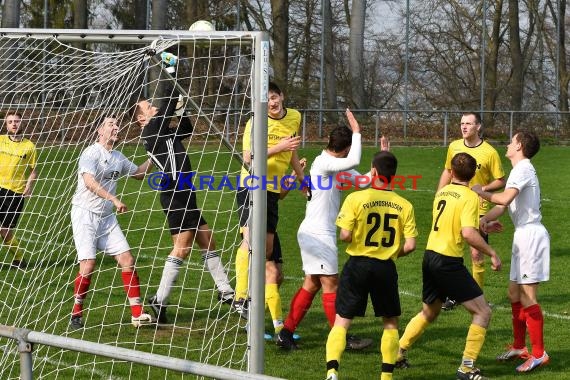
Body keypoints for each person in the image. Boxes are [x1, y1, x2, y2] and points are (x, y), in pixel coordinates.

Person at [132, 59, 235, 324]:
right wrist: (173, 72)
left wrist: (179, 107)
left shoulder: (164, 131)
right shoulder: (152, 130)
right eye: (148, 107)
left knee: (207, 239)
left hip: (184, 190)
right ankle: (160, 298)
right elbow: (167, 101)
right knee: (182, 249)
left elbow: (186, 126)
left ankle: (224, 291)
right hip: (174, 192)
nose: (153, 108)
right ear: (142, 118)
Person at [277, 110, 384, 351]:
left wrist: (381, 158)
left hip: (314, 234)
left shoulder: (335, 166)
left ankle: (286, 333)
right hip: (318, 236)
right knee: (331, 284)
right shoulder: (325, 163)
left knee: (312, 284)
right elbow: (354, 162)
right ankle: (340, 338)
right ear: (345, 149)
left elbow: (365, 180)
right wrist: (357, 132)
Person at [396, 152, 502, 380]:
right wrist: (491, 251)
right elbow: (467, 233)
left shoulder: (442, 192)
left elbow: (457, 225)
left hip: (430, 257)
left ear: (451, 172)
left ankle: (398, 351)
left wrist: (482, 228)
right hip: (448, 262)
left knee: (430, 312)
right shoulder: (470, 197)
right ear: (474, 175)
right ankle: (467, 368)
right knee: (483, 312)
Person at [325, 151, 418, 380]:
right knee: (390, 322)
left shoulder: (356, 199)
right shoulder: (404, 205)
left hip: (357, 264)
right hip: (385, 267)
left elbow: (345, 235)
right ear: (394, 175)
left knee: (342, 319)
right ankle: (386, 377)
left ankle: (332, 372)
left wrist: (356, 236)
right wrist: (390, 252)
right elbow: (411, 245)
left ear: (373, 171)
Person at [472, 131, 549, 372]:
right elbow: (502, 207)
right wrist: (484, 220)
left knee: (527, 297)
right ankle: (519, 346)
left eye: (511, 141)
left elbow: (504, 199)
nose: (507, 144)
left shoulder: (523, 168)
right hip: (522, 235)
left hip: (531, 237)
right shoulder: (520, 170)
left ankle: (539, 354)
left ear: (519, 146)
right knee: (514, 294)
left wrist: (479, 191)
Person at [234, 81, 305, 337]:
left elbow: (293, 152)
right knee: (250, 240)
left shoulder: (295, 116)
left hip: (273, 190)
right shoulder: (255, 121)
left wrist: (301, 179)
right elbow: (248, 158)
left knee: (266, 253)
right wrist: (279, 147)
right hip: (251, 184)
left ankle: (257, 315)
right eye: (267, 99)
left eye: (274, 97)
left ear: (282, 96)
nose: (272, 103)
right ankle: (241, 298)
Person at [69, 116, 154, 329]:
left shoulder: (117, 156)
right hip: (84, 214)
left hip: (106, 218)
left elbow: (138, 174)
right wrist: (114, 199)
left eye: (117, 124)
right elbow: (89, 182)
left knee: (127, 259)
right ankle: (76, 313)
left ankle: (137, 314)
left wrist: (154, 156)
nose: (116, 127)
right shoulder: (91, 153)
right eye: (111, 124)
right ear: (99, 130)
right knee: (88, 265)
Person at [437, 112, 505, 310]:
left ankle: (478, 296)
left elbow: (501, 180)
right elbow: (448, 171)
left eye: (468, 123)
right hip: (454, 204)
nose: (464, 127)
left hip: (478, 207)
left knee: (476, 254)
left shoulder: (490, 152)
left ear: (478, 127)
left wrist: (482, 189)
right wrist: (439, 194)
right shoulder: (454, 147)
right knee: (451, 250)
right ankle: (453, 294)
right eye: (462, 123)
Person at [0, 111, 37, 270]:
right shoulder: (0, 140)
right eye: (10, 122)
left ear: (22, 123)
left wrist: (29, 185)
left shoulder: (29, 146)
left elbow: (34, 170)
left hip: (15, 192)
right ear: (6, 125)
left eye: (16, 121)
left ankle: (19, 258)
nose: (14, 124)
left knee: (4, 230)